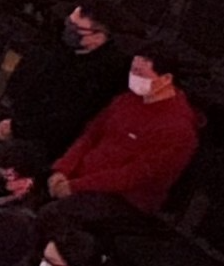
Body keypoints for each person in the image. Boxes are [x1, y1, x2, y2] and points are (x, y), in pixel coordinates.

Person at [50, 48, 202, 215]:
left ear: (166, 78)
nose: (134, 77)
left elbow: (134, 176)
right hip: (83, 179)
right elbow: (91, 135)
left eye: (140, 73)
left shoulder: (178, 128)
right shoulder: (126, 100)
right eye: (132, 70)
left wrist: (76, 186)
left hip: (123, 199)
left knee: (57, 214)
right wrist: (63, 169)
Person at [0, 2, 128, 165]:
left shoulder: (105, 74)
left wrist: (17, 129)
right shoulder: (60, 49)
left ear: (98, 36)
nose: (68, 30)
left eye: (76, 28)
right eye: (69, 22)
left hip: (49, 145)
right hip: (21, 124)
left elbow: (65, 122)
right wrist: (11, 122)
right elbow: (27, 89)